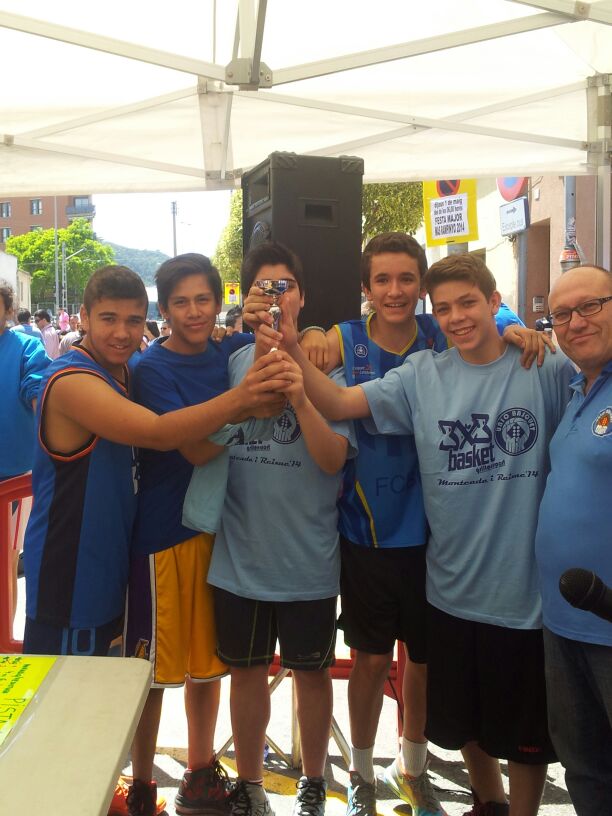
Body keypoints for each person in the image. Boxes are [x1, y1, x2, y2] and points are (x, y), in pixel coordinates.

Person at [245, 235, 551, 816]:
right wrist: (300, 336)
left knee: (429, 667)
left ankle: (414, 769)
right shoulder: (350, 342)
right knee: (372, 661)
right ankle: (363, 776)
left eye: (407, 279)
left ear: (421, 288)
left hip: (444, 545)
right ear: (365, 288)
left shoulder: (450, 336)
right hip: (370, 534)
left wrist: (518, 327)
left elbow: (487, 316)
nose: (395, 290)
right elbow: (335, 398)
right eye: (381, 280)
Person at [21, 265, 288, 816]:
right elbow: (163, 434)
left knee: (102, 697)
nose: (122, 332)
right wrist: (244, 400)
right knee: (64, 706)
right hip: (69, 571)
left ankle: (103, 796)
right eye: (108, 319)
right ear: (83, 319)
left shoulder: (120, 372)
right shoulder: (74, 381)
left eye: (131, 320)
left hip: (109, 565)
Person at [206, 242, 356, 816]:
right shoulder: (231, 363)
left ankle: (313, 783)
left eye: (284, 286)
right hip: (239, 558)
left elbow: (333, 459)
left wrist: (300, 395)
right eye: (263, 287)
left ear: (303, 296)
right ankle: (249, 785)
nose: (275, 297)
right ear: (246, 297)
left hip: (308, 561)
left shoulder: (328, 369)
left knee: (312, 677)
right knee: (244, 676)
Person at [124, 255, 256, 816]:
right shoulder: (152, 369)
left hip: (222, 527)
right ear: (165, 308)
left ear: (218, 302)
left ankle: (200, 773)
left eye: (203, 299)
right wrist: (247, 406)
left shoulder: (230, 351)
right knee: (151, 672)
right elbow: (197, 449)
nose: (195, 311)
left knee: (209, 664)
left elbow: (291, 340)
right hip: (165, 532)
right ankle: (142, 783)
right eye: (181, 302)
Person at [535, 265, 612, 816]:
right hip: (563, 622)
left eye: (591, 306)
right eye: (562, 315)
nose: (576, 322)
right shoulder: (576, 389)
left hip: (609, 622)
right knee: (584, 768)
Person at [0, 280, 50, 622]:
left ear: (8, 310)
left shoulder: (26, 347)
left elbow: (38, 392)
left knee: (5, 560)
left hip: (13, 479)